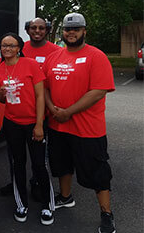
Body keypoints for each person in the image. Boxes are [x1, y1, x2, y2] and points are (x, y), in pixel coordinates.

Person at [43, 13, 116, 233]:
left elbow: (98, 90)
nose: (71, 33)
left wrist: (68, 112)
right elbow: (44, 87)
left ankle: (106, 214)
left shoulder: (96, 56)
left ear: (85, 31)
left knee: (97, 172)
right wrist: (52, 108)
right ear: (62, 32)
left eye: (76, 29)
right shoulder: (54, 57)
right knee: (62, 165)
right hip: (58, 125)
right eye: (68, 29)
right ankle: (66, 197)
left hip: (88, 129)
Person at [0, 32, 55, 226]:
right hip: (12, 123)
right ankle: (21, 204)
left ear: (19, 48)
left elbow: (39, 96)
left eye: (11, 45)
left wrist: (39, 125)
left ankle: (47, 205)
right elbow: (2, 99)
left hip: (33, 123)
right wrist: (2, 96)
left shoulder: (30, 65)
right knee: (17, 164)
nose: (7, 49)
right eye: (4, 45)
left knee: (39, 164)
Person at [0, 18, 61, 197]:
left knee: (38, 158)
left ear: (47, 30)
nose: (37, 31)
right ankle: (16, 184)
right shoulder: (19, 47)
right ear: (27, 30)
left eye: (41, 28)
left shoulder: (56, 51)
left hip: (44, 110)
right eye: (33, 28)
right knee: (16, 156)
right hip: (18, 112)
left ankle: (36, 183)